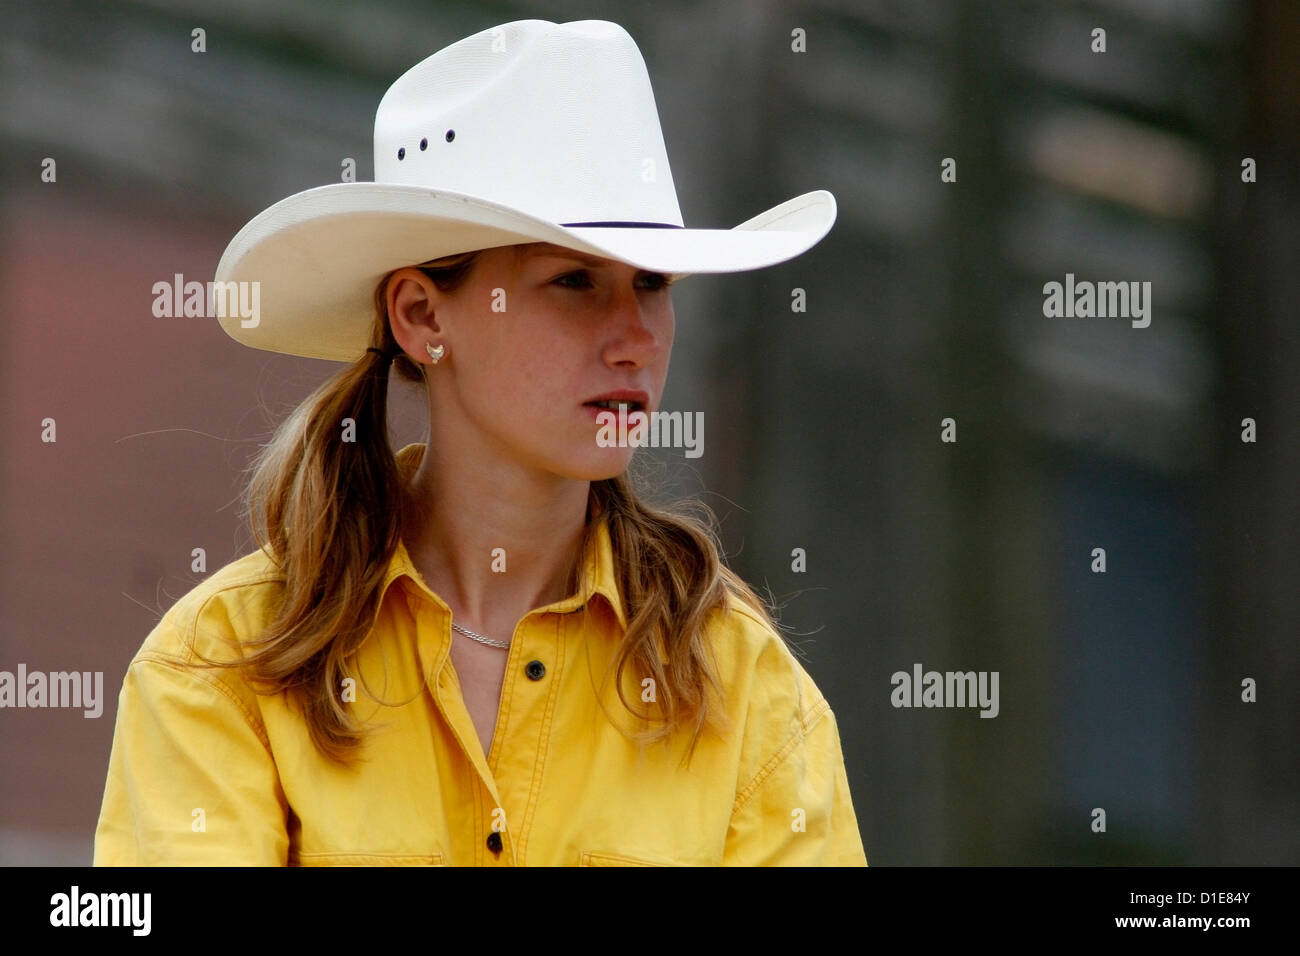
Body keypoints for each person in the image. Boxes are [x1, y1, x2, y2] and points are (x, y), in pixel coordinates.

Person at [93, 18, 866, 866]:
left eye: (653, 283)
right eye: (573, 281)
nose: (635, 336)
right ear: (423, 316)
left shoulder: (746, 688)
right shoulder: (221, 667)